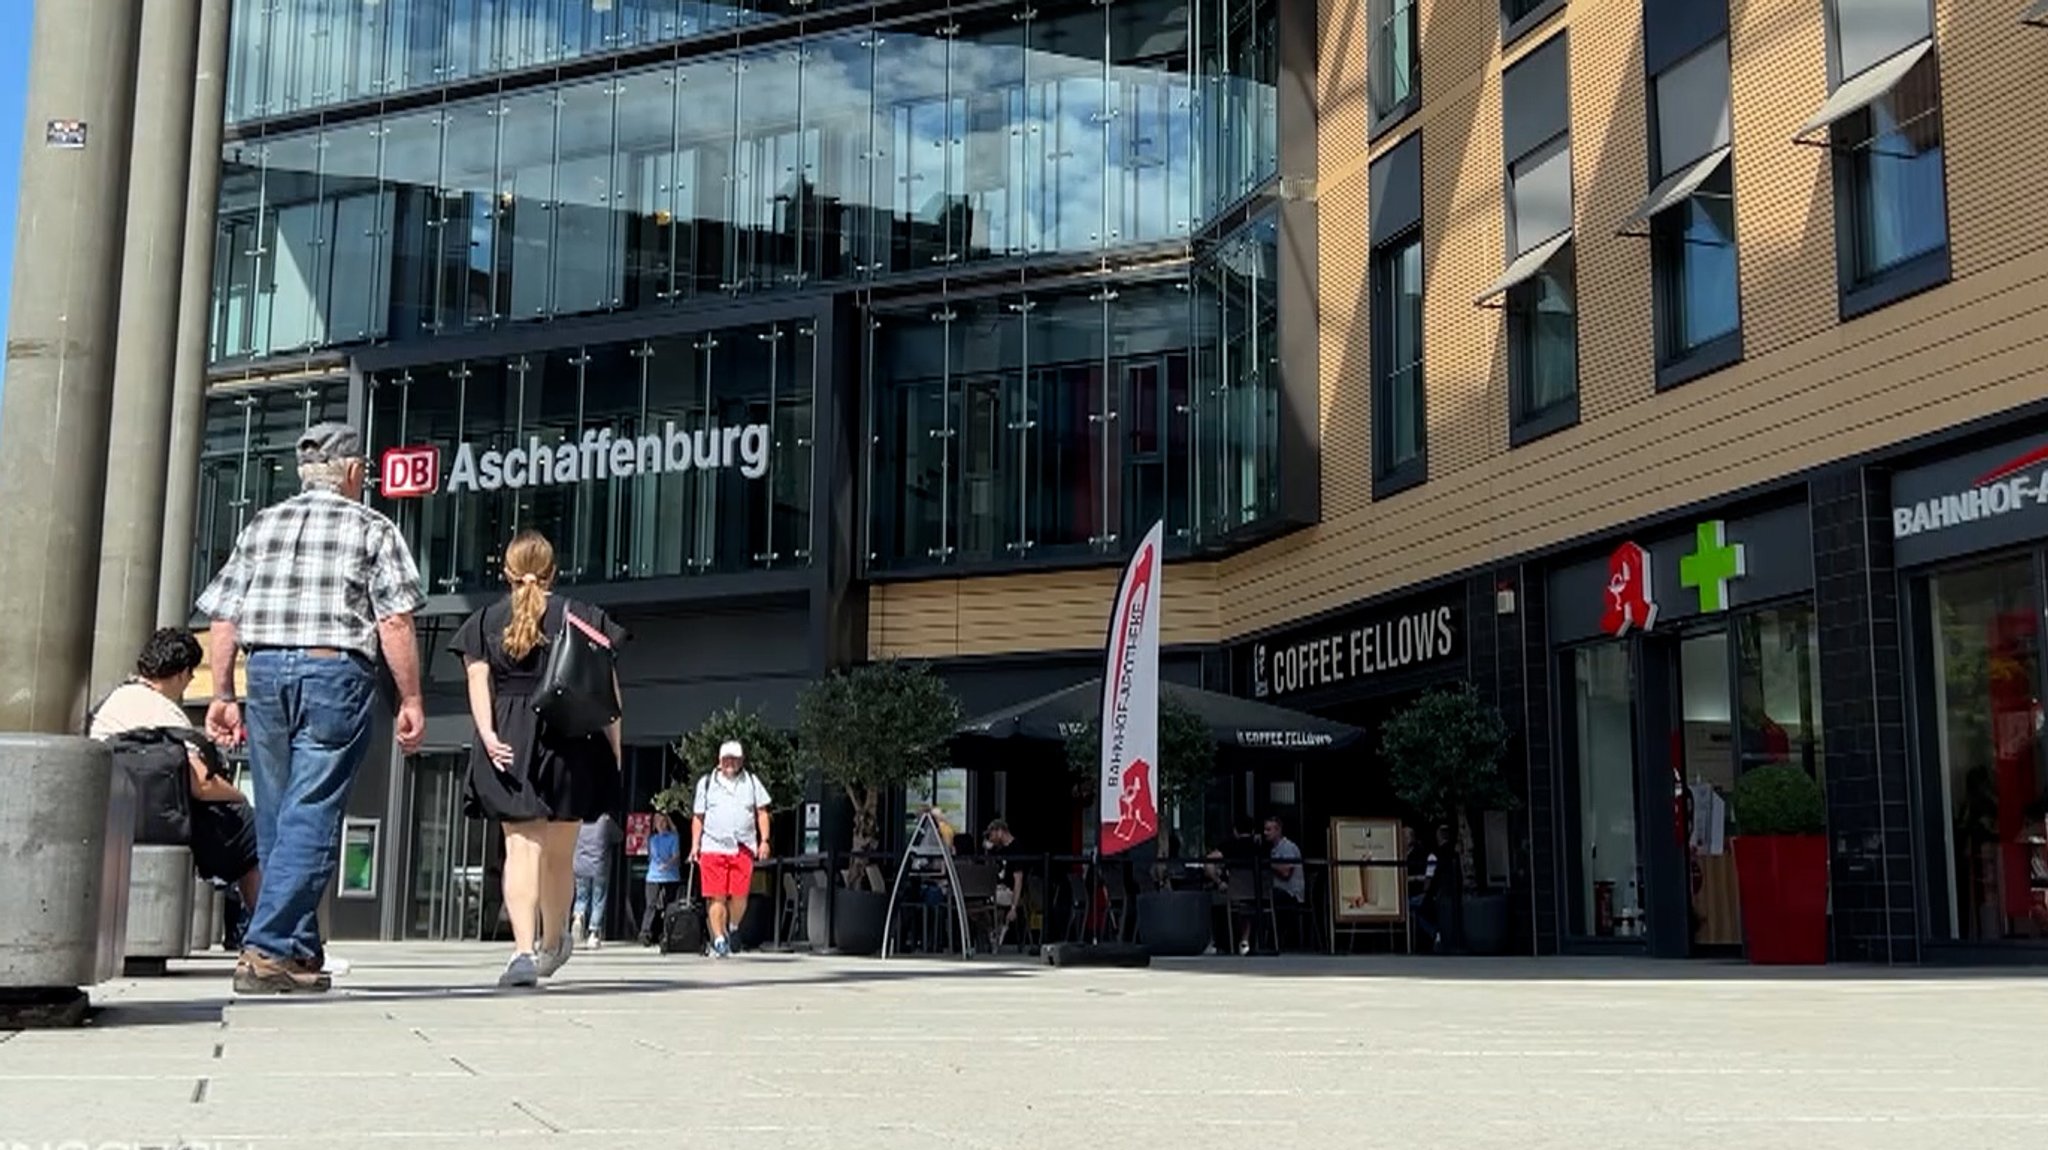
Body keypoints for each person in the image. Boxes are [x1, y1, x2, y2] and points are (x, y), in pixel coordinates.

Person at [198, 422, 426, 995]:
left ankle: (298, 949)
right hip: (334, 671)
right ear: (351, 473)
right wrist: (411, 697)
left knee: (278, 812)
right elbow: (394, 619)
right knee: (314, 809)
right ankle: (270, 946)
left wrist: (223, 692)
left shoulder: (262, 524)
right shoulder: (372, 527)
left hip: (267, 672)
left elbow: (224, 616)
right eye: (364, 472)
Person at [452, 530, 629, 988]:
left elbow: (477, 683)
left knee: (521, 848)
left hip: (511, 736)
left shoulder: (485, 621)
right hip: (570, 737)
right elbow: (607, 691)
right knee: (559, 855)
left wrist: (488, 736)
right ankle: (554, 942)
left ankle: (522, 953)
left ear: (507, 571)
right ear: (554, 570)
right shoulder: (584, 615)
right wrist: (614, 750)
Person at [90, 629, 263, 917]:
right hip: (166, 822)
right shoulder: (165, 712)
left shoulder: (108, 705)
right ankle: (265, 931)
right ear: (182, 674)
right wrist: (239, 796)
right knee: (253, 834)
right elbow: (201, 785)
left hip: (114, 819)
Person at [689, 741, 771, 958]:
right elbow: (699, 817)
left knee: (739, 895)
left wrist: (765, 840)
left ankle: (732, 927)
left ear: (741, 760)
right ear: (719, 760)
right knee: (716, 896)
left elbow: (762, 812)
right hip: (713, 846)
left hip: (742, 846)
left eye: (734, 759)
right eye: (726, 758)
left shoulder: (751, 782)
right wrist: (695, 845)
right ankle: (719, 939)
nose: (730, 763)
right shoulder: (706, 783)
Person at [572, 813, 624, 949]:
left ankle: (578, 915)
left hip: (580, 865)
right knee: (598, 900)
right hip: (599, 866)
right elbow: (619, 836)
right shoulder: (605, 820)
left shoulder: (578, 820)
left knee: (581, 896)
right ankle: (593, 934)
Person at [638, 812, 683, 947]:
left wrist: (668, 864)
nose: (661, 825)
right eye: (658, 822)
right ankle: (645, 933)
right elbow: (652, 856)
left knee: (669, 906)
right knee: (650, 905)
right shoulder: (652, 839)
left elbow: (676, 855)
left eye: (664, 822)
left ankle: (668, 933)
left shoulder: (673, 837)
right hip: (654, 875)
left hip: (670, 876)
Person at [985, 819, 1028, 948]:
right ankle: (993, 930)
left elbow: (1018, 880)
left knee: (987, 899)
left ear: (1000, 832)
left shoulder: (1016, 849)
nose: (991, 839)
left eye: (992, 835)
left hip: (1009, 891)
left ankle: (994, 931)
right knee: (979, 901)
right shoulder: (999, 850)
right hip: (998, 888)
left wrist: (1014, 907)